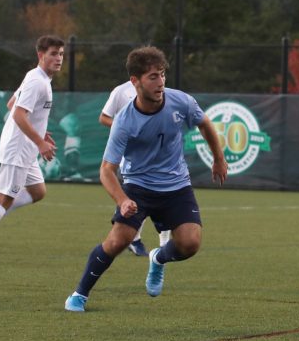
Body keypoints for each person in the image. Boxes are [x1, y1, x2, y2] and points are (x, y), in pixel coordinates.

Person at [64, 46, 227, 312]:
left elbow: (205, 123)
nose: (160, 82)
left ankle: (158, 258)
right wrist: (122, 200)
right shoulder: (124, 121)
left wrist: (218, 158)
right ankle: (79, 294)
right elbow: (106, 170)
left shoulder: (181, 101)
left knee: (190, 244)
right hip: (138, 186)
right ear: (135, 81)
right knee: (118, 241)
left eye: (162, 74)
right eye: (153, 76)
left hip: (176, 185)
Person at [0, 35, 65, 247]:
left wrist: (41, 133)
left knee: (37, 191)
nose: (59, 58)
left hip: (26, 150)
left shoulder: (36, 76)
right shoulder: (37, 82)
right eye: (53, 54)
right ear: (41, 55)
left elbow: (11, 104)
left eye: (61, 54)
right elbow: (19, 114)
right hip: (18, 149)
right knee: (3, 200)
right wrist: (40, 142)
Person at [99, 79, 172, 255]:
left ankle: (164, 243)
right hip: (133, 156)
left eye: (161, 73)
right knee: (139, 196)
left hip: (159, 153)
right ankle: (134, 238)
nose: (159, 78)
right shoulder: (121, 91)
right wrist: (124, 129)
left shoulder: (163, 91)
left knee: (167, 191)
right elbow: (104, 117)